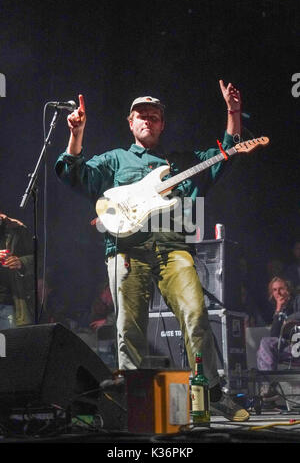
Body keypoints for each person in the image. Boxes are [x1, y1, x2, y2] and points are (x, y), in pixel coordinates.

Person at [55, 80, 252, 422]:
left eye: (154, 116)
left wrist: (233, 112)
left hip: (173, 248)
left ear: (162, 124)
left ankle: (211, 392)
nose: (147, 120)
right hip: (126, 249)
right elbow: (74, 174)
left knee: (196, 314)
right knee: (129, 328)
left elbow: (227, 153)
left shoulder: (180, 162)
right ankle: (132, 400)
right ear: (130, 123)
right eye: (140, 115)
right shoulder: (115, 159)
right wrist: (77, 133)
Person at [257, 277, 300, 399]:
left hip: (298, 343)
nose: (278, 293)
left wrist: (288, 319)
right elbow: (274, 336)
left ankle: (268, 386)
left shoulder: (297, 300)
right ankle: (268, 386)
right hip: (289, 350)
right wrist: (278, 310)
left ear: (288, 290)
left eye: (281, 288)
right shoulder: (276, 308)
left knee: (263, 349)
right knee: (265, 345)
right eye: (275, 290)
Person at [0, 211, 34, 328]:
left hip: (9, 303)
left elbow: (39, 258)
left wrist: (21, 262)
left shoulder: (16, 229)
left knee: (11, 345)